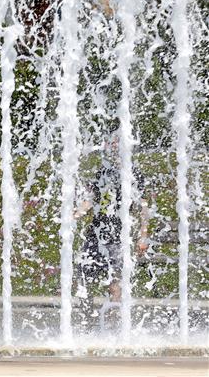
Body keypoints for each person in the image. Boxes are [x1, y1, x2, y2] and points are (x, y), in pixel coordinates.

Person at [74, 131, 149, 311]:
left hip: (118, 235)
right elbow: (92, 198)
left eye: (117, 143)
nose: (113, 146)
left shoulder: (134, 174)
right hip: (96, 233)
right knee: (83, 272)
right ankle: (87, 314)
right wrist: (76, 214)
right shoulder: (103, 172)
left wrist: (143, 235)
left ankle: (115, 322)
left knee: (115, 278)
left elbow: (143, 207)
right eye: (112, 143)